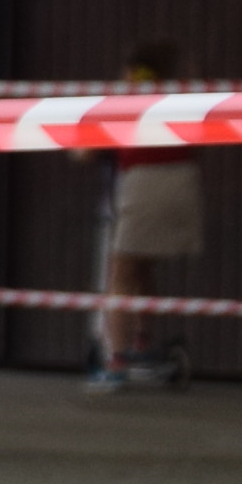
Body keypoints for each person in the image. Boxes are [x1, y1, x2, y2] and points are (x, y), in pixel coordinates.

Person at [89, 37, 200, 394]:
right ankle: (141, 343)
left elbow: (85, 149)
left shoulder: (129, 96)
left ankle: (117, 362)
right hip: (184, 182)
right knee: (143, 267)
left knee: (120, 273)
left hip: (143, 183)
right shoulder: (185, 95)